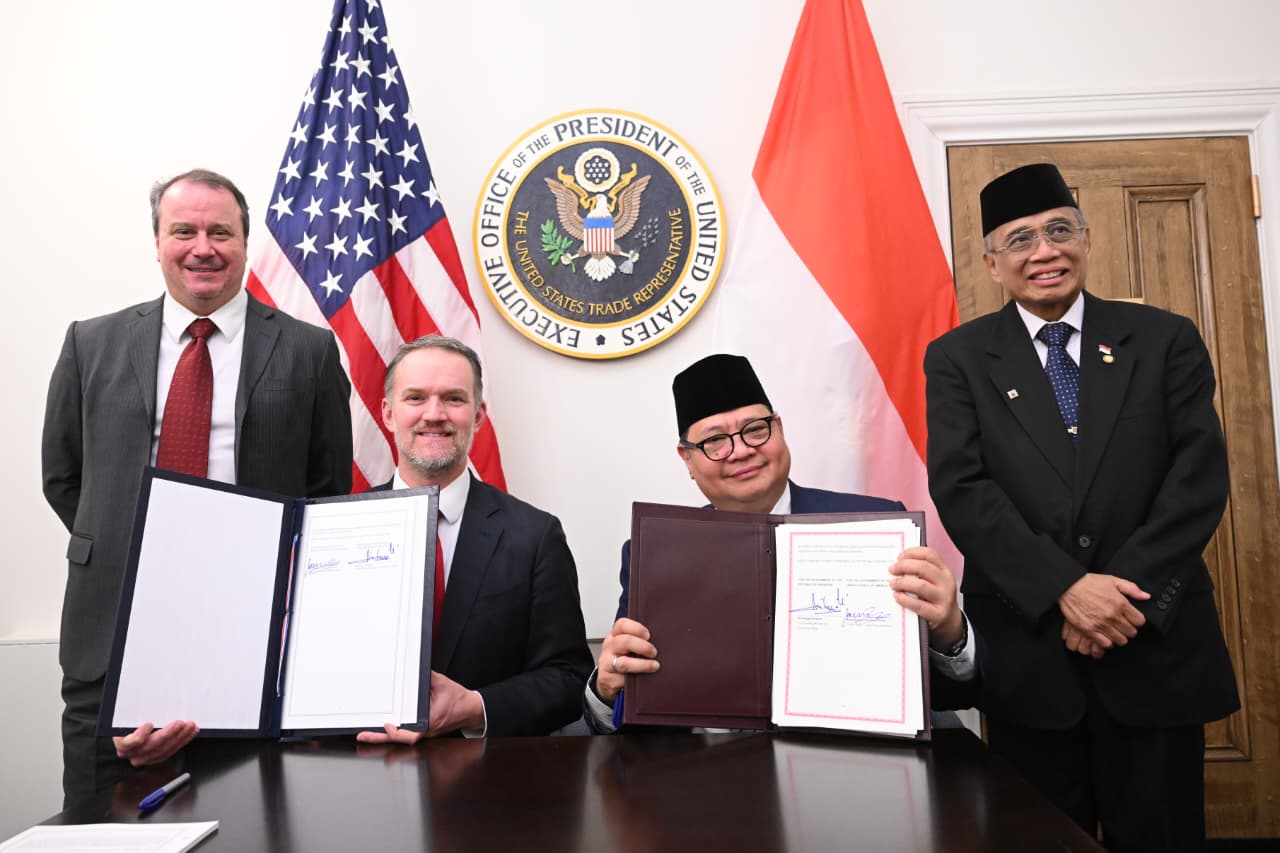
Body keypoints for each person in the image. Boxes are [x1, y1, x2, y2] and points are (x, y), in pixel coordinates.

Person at [924, 162, 1238, 851]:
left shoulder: (1163, 339)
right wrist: (1065, 588)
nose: (1044, 251)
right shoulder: (957, 359)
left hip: (1152, 647)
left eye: (1059, 230)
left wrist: (1118, 597)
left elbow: (1197, 479)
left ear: (1087, 239)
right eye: (1020, 239)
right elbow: (963, 490)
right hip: (1030, 660)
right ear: (992, 264)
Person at [41, 169, 353, 803]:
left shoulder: (310, 351)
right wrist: (143, 552)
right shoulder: (90, 343)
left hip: (253, 643)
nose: (202, 248)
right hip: (110, 640)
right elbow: (63, 476)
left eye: (221, 232)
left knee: (248, 825)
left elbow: (326, 490)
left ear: (245, 242)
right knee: (102, 829)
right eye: (183, 231)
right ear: (157, 242)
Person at [584, 353, 978, 732]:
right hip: (707, 763)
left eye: (755, 430)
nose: (741, 451)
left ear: (780, 429)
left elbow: (948, 694)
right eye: (715, 441)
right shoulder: (655, 553)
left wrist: (949, 631)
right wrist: (607, 689)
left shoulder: (880, 525)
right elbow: (630, 707)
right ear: (687, 460)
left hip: (856, 753)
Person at [356, 335, 593, 742]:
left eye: (453, 399)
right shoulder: (334, 526)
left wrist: (475, 707)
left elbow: (569, 679)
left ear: (479, 415)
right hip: (354, 767)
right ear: (388, 414)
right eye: (415, 398)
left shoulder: (534, 537)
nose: (434, 414)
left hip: (487, 774)